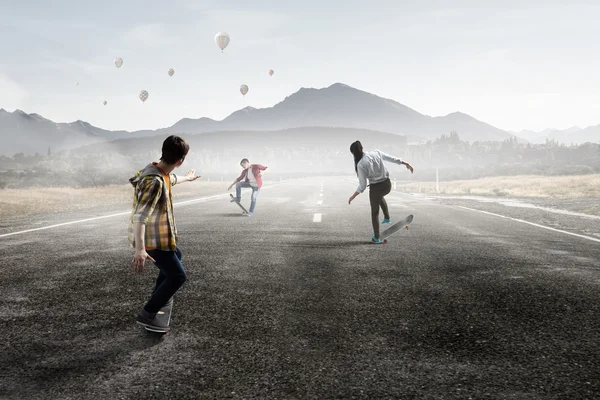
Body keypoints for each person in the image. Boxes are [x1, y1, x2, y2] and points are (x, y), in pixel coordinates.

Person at [128, 135, 201, 332]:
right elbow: (140, 216)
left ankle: (160, 296)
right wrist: (140, 250)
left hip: (159, 237)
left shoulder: (159, 172)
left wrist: (187, 177)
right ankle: (148, 313)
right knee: (178, 276)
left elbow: (172, 179)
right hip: (152, 239)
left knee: (176, 255)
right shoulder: (155, 181)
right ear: (180, 160)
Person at [347, 140, 414, 244]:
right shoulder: (376, 153)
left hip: (376, 188)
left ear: (353, 154)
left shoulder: (360, 164)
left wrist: (353, 196)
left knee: (374, 212)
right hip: (387, 185)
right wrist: (406, 163)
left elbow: (362, 186)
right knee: (379, 197)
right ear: (362, 147)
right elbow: (392, 158)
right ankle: (387, 217)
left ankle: (377, 237)